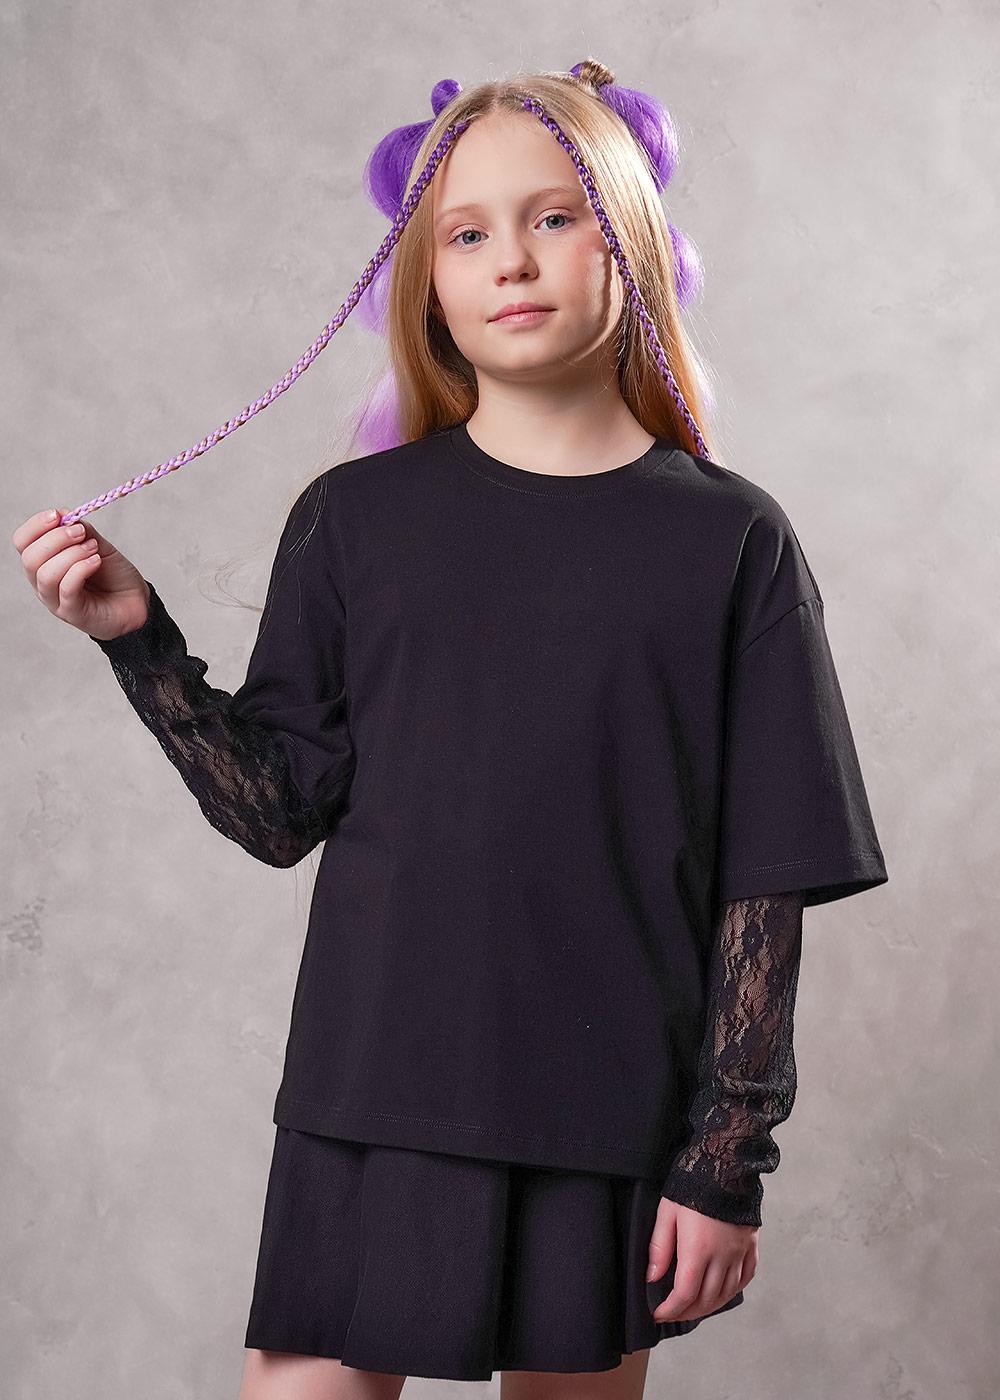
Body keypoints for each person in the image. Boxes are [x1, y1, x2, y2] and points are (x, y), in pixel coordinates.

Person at [12, 59, 888, 1400]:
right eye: (466, 233)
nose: (510, 260)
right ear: (424, 279)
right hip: (371, 1085)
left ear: (630, 241)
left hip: (608, 1100)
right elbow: (277, 812)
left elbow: (764, 879)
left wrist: (727, 1160)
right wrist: (138, 639)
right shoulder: (353, 520)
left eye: (554, 217)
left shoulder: (731, 540)